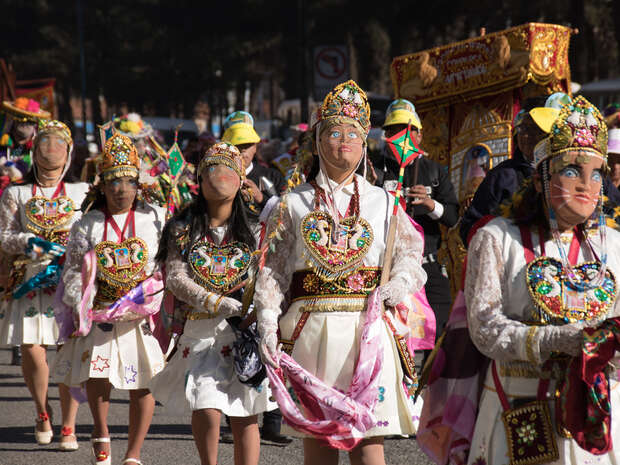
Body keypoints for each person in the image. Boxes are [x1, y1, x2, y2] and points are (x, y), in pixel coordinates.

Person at [255, 80, 427, 465]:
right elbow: (273, 272)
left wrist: (398, 286)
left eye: (353, 133)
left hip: (367, 330)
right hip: (310, 332)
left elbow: (410, 256)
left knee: (369, 442)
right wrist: (266, 320)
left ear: (366, 142)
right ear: (317, 141)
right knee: (319, 442)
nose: (343, 141)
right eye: (334, 132)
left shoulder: (384, 201)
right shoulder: (292, 203)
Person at [465, 96, 620, 464]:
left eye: (596, 173)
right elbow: (484, 327)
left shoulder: (612, 245)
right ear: (539, 178)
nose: (587, 185)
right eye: (571, 171)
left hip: (595, 414)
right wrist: (557, 339)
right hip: (519, 408)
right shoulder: (498, 239)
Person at [149, 142, 277, 465]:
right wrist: (214, 300)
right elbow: (176, 278)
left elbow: (268, 279)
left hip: (244, 333)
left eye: (228, 171)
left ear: (240, 181)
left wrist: (260, 313)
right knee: (205, 404)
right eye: (212, 171)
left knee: (246, 413)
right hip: (201, 331)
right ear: (200, 180)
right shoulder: (181, 229)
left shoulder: (257, 230)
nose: (220, 177)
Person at [52, 133, 165, 465]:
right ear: (101, 185)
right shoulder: (87, 223)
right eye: (113, 181)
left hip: (138, 314)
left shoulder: (153, 218)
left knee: (143, 382)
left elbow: (161, 266)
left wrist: (149, 296)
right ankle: (101, 432)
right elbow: (72, 270)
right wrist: (83, 301)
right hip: (100, 312)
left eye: (128, 181)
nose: (120, 189)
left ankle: (133, 453)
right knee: (98, 375)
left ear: (138, 184)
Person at [0, 120, 88, 450]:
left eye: (58, 146)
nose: (51, 151)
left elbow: (93, 231)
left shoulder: (82, 192)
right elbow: (4, 236)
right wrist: (34, 244)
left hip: (70, 281)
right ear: (34, 152)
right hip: (30, 281)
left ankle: (69, 423)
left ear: (68, 154)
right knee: (33, 351)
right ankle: (41, 411)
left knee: (68, 352)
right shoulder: (16, 193)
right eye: (45, 145)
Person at [376, 98, 458, 334]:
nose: (401, 136)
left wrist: (431, 205)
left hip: (428, 267)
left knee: (437, 334)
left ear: (419, 135)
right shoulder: (373, 168)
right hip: (386, 269)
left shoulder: (434, 171)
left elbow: (453, 217)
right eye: (394, 130)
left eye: (408, 130)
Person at [222, 111, 285, 216]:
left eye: (248, 144)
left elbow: (285, 215)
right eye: (237, 145)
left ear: (255, 147)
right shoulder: (216, 179)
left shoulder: (274, 176)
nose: (243, 150)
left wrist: (260, 198)